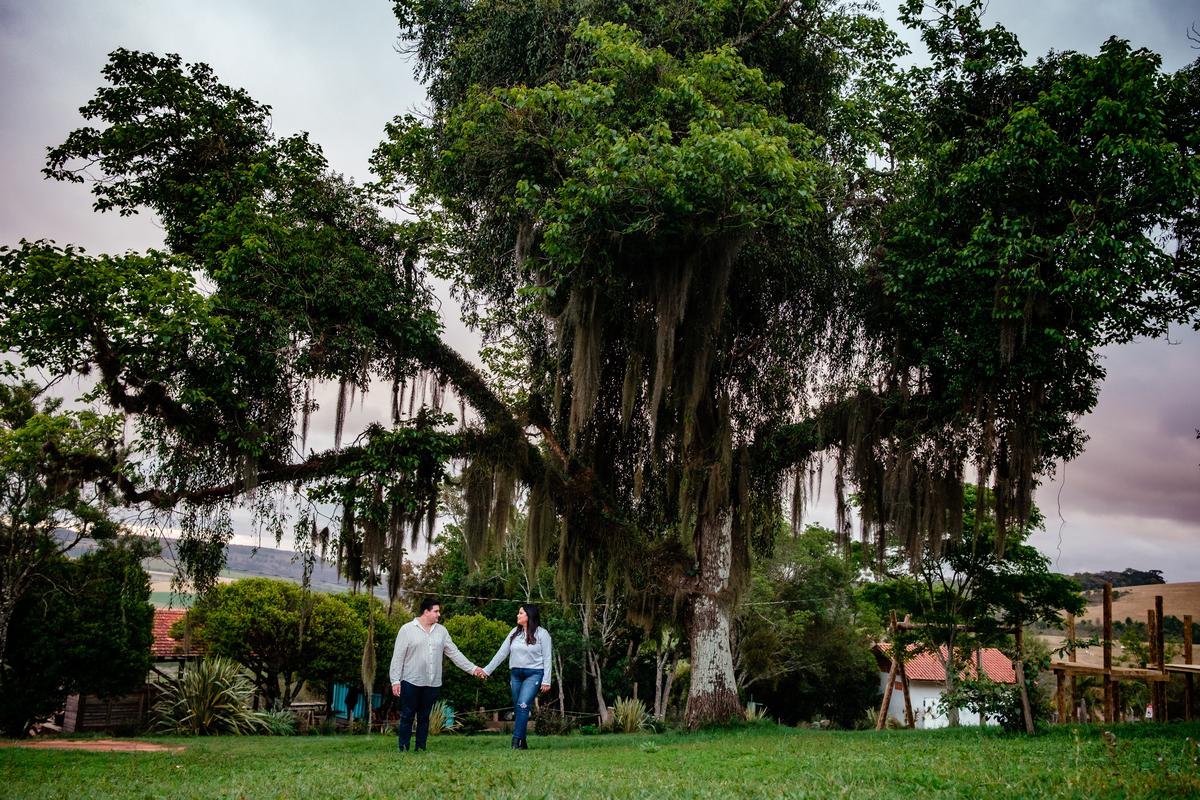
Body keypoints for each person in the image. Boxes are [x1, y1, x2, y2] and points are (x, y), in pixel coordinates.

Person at [389, 597, 486, 752]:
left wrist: (473, 669)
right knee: (407, 715)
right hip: (410, 681)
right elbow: (398, 657)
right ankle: (404, 749)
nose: (439, 614)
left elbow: (454, 653)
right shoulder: (407, 629)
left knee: (423, 717)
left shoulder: (441, 631)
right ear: (426, 612)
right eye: (436, 611)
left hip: (432, 682)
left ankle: (420, 748)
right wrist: (395, 680)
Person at [481, 604, 552, 750]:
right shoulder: (514, 633)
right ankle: (523, 741)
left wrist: (546, 680)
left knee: (523, 705)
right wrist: (487, 670)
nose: (517, 616)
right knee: (519, 708)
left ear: (529, 616)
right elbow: (501, 653)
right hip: (516, 674)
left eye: (521, 613)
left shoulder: (542, 634)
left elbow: (547, 658)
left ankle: (515, 741)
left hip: (534, 673)